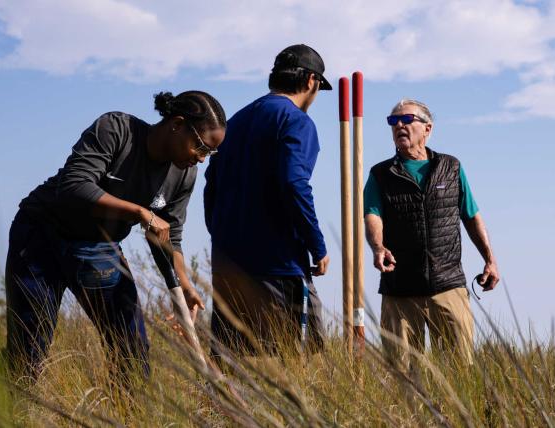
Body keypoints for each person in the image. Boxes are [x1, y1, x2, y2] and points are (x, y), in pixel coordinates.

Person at [6, 91, 227, 386]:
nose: (201, 159)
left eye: (209, 154)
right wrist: (139, 212)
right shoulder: (117, 130)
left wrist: (184, 285)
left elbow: (169, 232)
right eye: (200, 146)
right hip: (39, 234)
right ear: (177, 124)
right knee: (28, 347)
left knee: (131, 351)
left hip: (98, 245)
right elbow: (74, 186)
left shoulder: (184, 175)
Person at [204, 44, 331, 358]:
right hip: (279, 267)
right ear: (311, 81)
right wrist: (317, 245)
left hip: (228, 266)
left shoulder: (234, 122)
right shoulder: (296, 122)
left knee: (231, 365)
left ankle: (222, 411)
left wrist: (222, 239)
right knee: (295, 364)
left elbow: (211, 188)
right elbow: (294, 183)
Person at [364, 98, 500, 369]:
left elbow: (471, 216)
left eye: (406, 120)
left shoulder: (451, 168)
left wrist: (490, 259)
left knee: (460, 371)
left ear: (427, 128)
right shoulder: (381, 174)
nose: (399, 126)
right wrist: (378, 247)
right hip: (399, 290)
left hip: (448, 285)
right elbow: (372, 215)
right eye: (393, 121)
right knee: (402, 374)